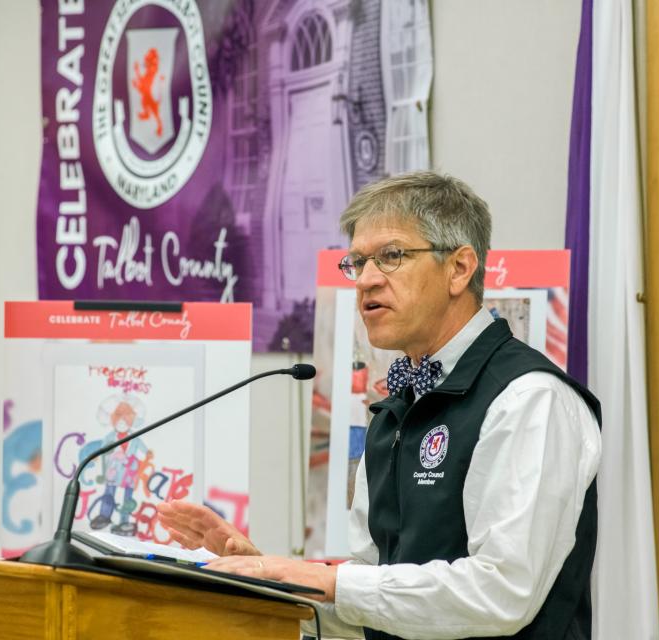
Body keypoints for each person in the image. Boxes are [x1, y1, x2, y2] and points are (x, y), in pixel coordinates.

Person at [157, 172, 602, 639]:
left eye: (392, 256)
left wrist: (330, 580)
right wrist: (269, 581)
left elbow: (503, 591)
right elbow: (373, 603)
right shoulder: (394, 410)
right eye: (357, 262)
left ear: (459, 268)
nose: (366, 280)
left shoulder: (529, 398)